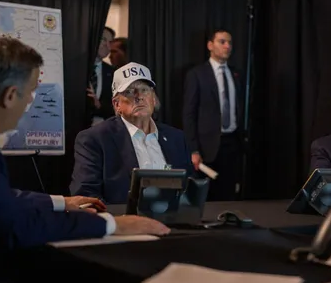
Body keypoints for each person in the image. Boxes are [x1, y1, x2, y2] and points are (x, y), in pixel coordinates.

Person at [0, 38, 168, 278]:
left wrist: (61, 202)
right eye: (31, 92)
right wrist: (111, 224)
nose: (31, 103)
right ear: (10, 96)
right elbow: (14, 225)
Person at [71, 62, 193, 204]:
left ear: (153, 99)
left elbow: (191, 188)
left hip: (174, 216)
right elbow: (86, 195)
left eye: (144, 90)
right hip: (122, 217)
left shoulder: (176, 138)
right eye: (129, 92)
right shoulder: (95, 140)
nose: (139, 96)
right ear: (117, 104)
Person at [183, 29, 243, 201]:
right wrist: (193, 149)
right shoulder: (197, 74)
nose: (227, 46)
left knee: (228, 194)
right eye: (222, 42)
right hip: (206, 147)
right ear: (210, 45)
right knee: (207, 197)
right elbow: (189, 114)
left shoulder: (236, 74)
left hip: (232, 143)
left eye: (230, 42)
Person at [87, 27, 115, 126]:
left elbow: (117, 109)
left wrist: (99, 105)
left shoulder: (113, 72)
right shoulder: (77, 68)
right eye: (103, 39)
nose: (107, 45)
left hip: (101, 129)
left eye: (110, 42)